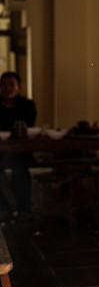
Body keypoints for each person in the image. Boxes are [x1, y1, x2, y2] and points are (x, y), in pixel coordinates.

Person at [0, 71, 37, 220]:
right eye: (3, 85)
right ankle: (4, 208)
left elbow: (27, 127)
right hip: (1, 151)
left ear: (19, 87)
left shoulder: (27, 105)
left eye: (11, 84)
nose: (7, 88)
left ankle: (24, 210)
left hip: (21, 152)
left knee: (20, 170)